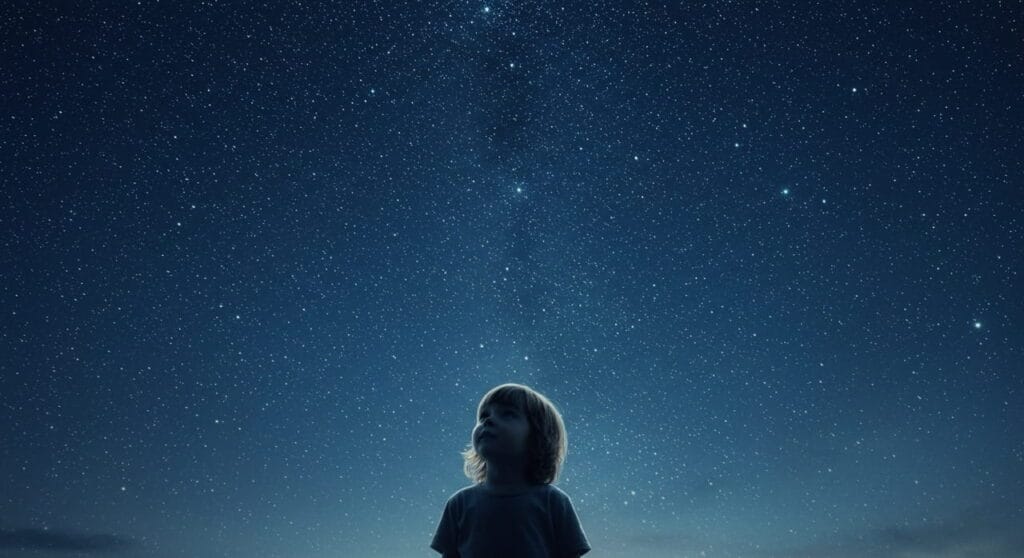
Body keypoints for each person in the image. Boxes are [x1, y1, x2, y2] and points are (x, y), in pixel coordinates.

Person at [430, 382, 592, 558]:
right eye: (483, 416)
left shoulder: (553, 502)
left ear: (538, 436)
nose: (488, 420)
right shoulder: (459, 504)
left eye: (507, 414)